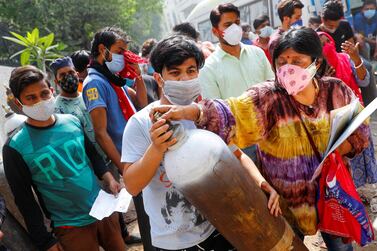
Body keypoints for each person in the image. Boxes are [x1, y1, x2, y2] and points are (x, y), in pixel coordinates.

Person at [152, 28, 370, 251]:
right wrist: (192, 111)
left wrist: (341, 148)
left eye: (297, 60)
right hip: (286, 204)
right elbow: (232, 112)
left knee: (341, 247)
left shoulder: (336, 90)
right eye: (282, 61)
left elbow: (361, 132)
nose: (288, 67)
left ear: (316, 61)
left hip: (333, 196)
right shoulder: (268, 97)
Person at [121, 34, 281, 251]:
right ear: (159, 78)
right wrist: (156, 148)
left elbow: (237, 155)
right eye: (175, 73)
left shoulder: (205, 115)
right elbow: (132, 185)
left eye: (191, 71)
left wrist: (262, 184)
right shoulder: (141, 123)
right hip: (173, 242)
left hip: (221, 228)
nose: (185, 79)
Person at [3, 65, 125, 251]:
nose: (40, 101)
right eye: (31, 98)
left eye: (44, 93)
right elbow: (24, 200)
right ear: (19, 104)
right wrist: (45, 241)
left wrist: (107, 177)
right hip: (70, 226)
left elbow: (92, 154)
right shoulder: (15, 147)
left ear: (51, 90)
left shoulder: (72, 121)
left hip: (103, 211)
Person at [83, 26, 148, 247]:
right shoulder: (95, 83)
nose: (123, 56)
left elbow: (141, 102)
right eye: (120, 51)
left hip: (140, 153)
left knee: (151, 207)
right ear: (104, 50)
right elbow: (101, 133)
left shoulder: (112, 79)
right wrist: (125, 169)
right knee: (147, 215)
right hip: (129, 159)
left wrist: (137, 75)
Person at [319, 32, 377, 187]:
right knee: (340, 158)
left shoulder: (345, 58)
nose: (326, 45)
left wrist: (356, 58)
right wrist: (323, 78)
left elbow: (364, 81)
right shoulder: (316, 66)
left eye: (328, 41)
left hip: (355, 115)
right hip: (332, 121)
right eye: (321, 43)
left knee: (357, 149)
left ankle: (356, 193)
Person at [199, 3, 274, 99]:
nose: (235, 28)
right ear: (215, 31)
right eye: (228, 25)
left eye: (237, 22)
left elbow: (272, 87)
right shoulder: (208, 69)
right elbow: (216, 110)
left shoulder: (257, 53)